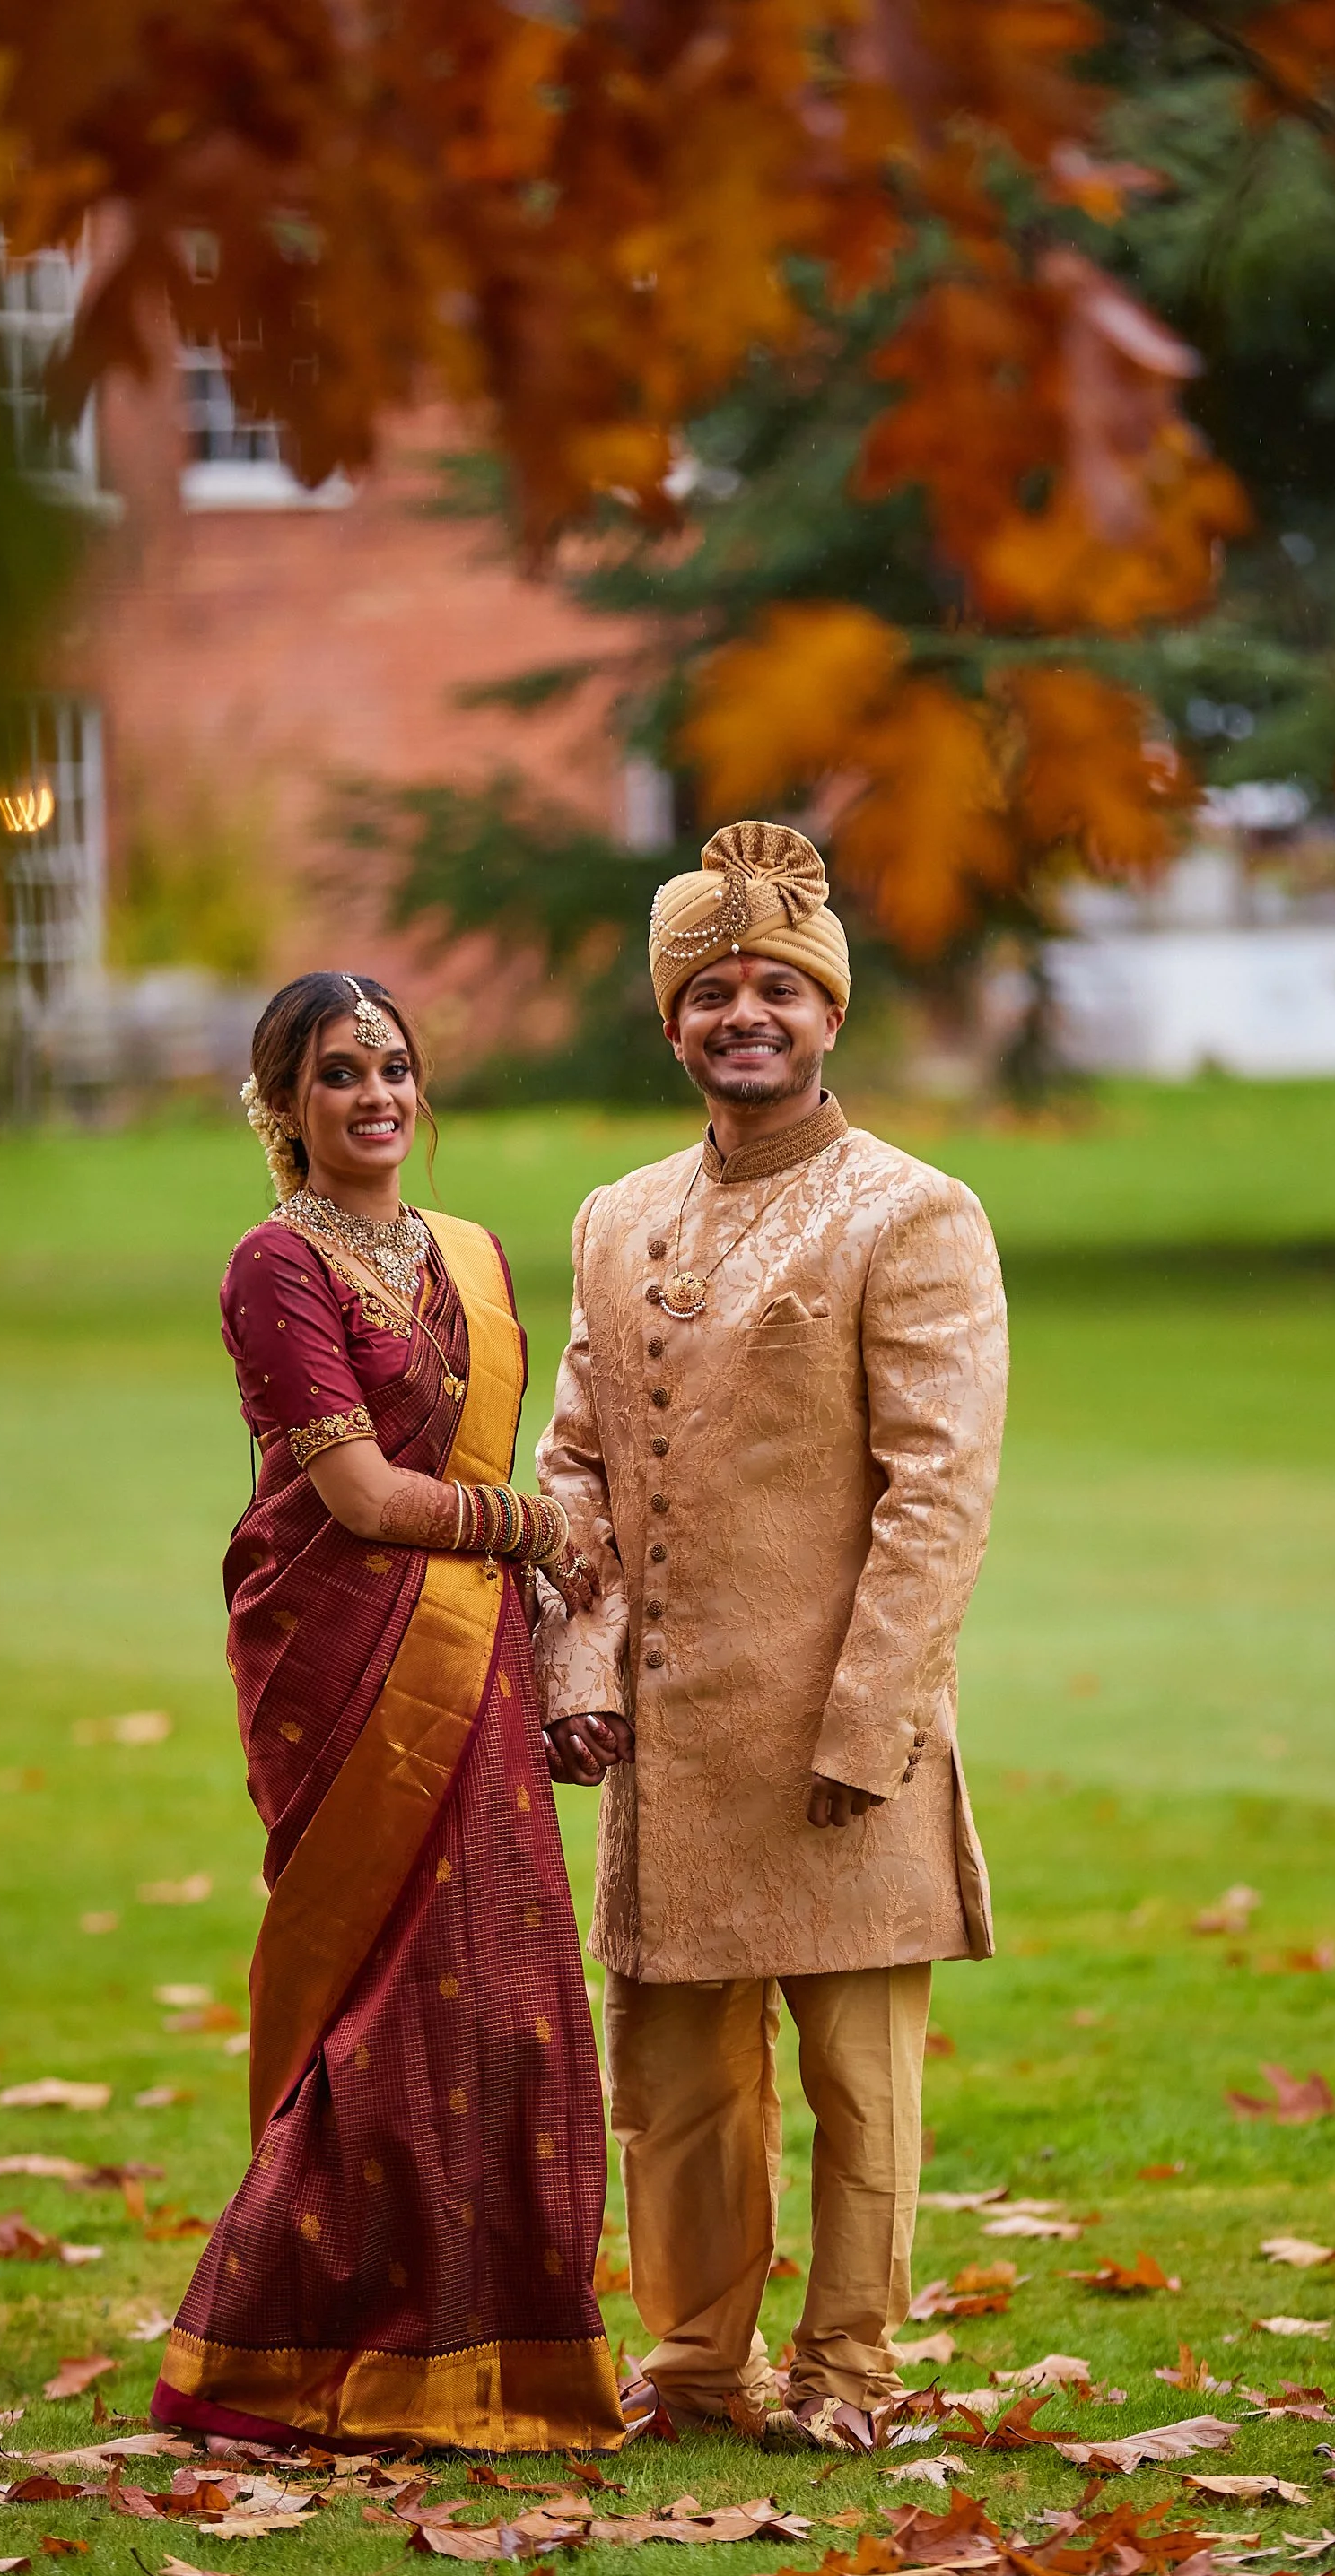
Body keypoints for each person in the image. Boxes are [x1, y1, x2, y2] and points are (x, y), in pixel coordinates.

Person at [534, 822, 1008, 2442]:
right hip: (670, 1748)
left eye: (780, 990)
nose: (748, 1015)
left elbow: (937, 1493)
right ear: (672, 1026)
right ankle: (692, 2372)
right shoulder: (614, 1216)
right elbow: (574, 1466)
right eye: (714, 992)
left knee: (860, 2092)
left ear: (830, 1017)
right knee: (675, 2099)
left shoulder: (916, 1213)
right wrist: (577, 1670)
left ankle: (850, 2377)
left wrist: (871, 1726)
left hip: (838, 1744)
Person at [152, 970, 624, 2452]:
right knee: (381, 2009)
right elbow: (354, 1498)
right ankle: (295, 2353)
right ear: (282, 1109)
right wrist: (537, 1529)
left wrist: (546, 1618)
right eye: (339, 1075)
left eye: (395, 1068)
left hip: (470, 1651)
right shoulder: (272, 1264)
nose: (376, 1098)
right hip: (340, 1654)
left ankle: (502, 2361)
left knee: (518, 2011)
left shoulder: (471, 1256)